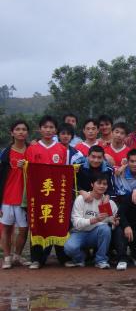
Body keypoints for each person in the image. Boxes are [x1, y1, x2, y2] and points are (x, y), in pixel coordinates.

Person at [25, 115, 69, 269]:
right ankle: (36, 259)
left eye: (51, 127)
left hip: (56, 194)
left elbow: (64, 172)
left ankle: (63, 257)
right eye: (45, 127)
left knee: (58, 222)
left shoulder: (62, 149)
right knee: (38, 223)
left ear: (55, 130)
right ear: (40, 129)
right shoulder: (32, 149)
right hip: (38, 194)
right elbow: (29, 173)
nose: (48, 130)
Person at [64, 174, 117, 269]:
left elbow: (113, 221)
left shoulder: (109, 203)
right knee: (69, 248)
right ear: (92, 184)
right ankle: (80, 259)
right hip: (79, 232)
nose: (102, 186)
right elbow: (76, 223)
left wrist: (115, 222)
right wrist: (94, 220)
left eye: (104, 184)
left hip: (96, 234)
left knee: (105, 229)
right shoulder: (81, 199)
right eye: (99, 183)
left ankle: (101, 260)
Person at [0, 120, 30, 269]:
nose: (21, 132)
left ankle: (17, 256)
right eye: (17, 129)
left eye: (24, 129)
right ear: (12, 133)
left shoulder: (32, 151)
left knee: (24, 229)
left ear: (27, 133)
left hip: (24, 198)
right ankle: (7, 257)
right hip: (7, 196)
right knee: (6, 227)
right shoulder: (5, 153)